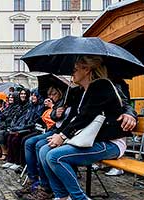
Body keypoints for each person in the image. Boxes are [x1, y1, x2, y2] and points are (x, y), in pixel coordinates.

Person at [39, 55, 137, 200]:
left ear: (86, 69)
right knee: (44, 150)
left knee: (55, 157)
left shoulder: (101, 85)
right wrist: (59, 133)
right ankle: (62, 196)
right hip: (93, 139)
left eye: (75, 69)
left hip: (110, 142)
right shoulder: (83, 90)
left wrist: (63, 136)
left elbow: (85, 117)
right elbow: (74, 117)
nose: (72, 73)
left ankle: (79, 198)